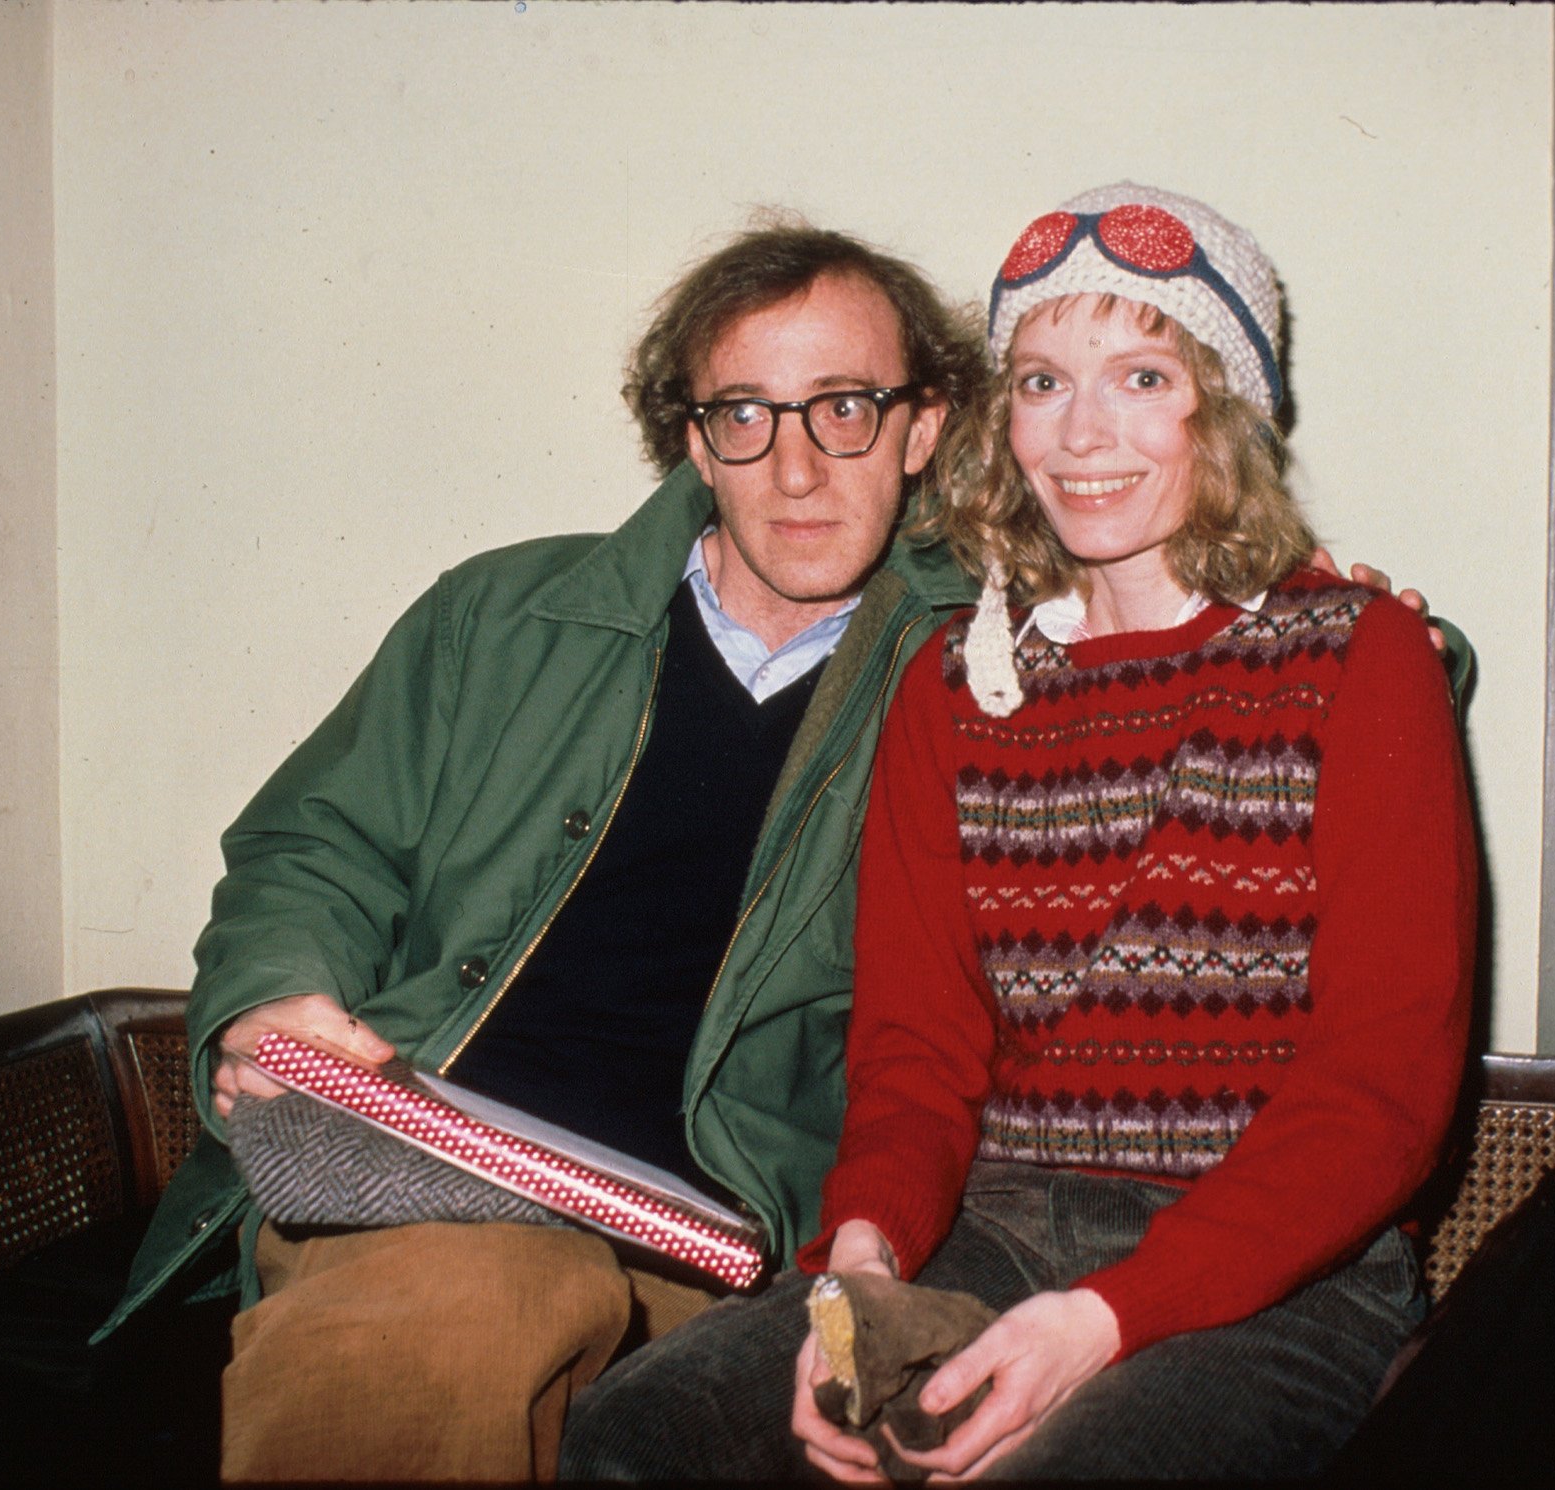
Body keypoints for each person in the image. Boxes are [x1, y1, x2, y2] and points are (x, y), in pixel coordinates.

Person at [95, 212, 1454, 1483]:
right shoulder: (501, 620)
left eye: (844, 410)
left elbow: (1210, 659)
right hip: (438, 1174)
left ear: (923, 427)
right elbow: (313, 843)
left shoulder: (950, 656)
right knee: (459, 1310)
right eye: (743, 414)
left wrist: (1371, 624)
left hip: (715, 1223)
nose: (795, 467)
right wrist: (271, 988)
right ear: (690, 440)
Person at [560, 183, 1478, 1482]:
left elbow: (1380, 1090)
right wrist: (863, 1260)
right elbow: (915, 1053)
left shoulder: (1359, 655)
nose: (1083, 432)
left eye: (1142, 375)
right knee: (641, 1434)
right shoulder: (955, 683)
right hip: (988, 1238)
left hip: (1285, 1271)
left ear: (1226, 400)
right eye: (1042, 381)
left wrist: (1104, 1320)